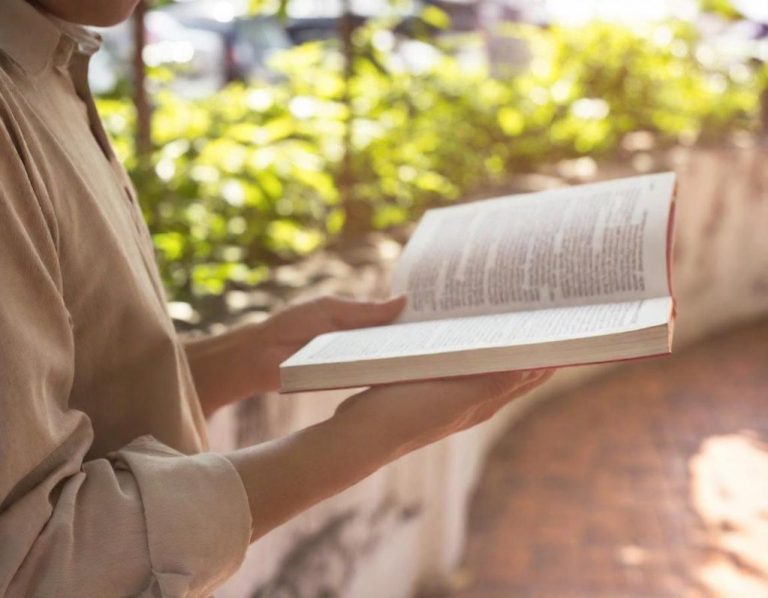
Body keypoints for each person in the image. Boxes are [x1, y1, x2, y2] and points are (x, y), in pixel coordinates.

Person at [0, 0, 555, 595]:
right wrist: (366, 440)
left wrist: (244, 357)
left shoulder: (49, 60)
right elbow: (34, 565)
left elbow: (67, 394)